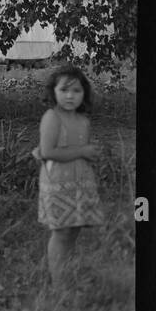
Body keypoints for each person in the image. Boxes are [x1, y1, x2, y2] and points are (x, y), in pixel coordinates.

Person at [31, 64, 105, 288]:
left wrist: (91, 153)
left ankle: (67, 276)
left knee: (73, 230)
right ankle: (59, 285)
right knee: (61, 232)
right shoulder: (52, 117)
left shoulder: (83, 120)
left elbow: (77, 149)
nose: (70, 96)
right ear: (53, 92)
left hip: (79, 182)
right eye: (64, 90)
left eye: (76, 91)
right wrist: (82, 152)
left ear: (85, 94)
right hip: (57, 183)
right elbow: (48, 152)